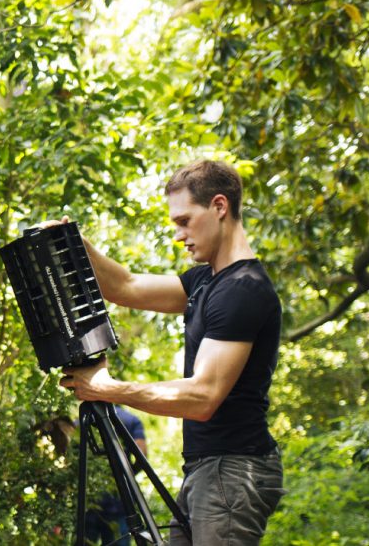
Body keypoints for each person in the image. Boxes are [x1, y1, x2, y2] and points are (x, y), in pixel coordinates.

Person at [51, 160, 285, 545]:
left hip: (232, 470)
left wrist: (108, 388)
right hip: (208, 469)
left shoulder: (243, 289)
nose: (179, 235)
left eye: (184, 221)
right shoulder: (206, 281)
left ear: (220, 206)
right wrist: (75, 245)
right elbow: (125, 286)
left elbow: (203, 397)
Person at [84, 406, 147, 546]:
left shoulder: (81, 421)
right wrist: (127, 474)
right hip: (120, 497)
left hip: (89, 498)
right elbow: (141, 455)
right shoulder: (131, 420)